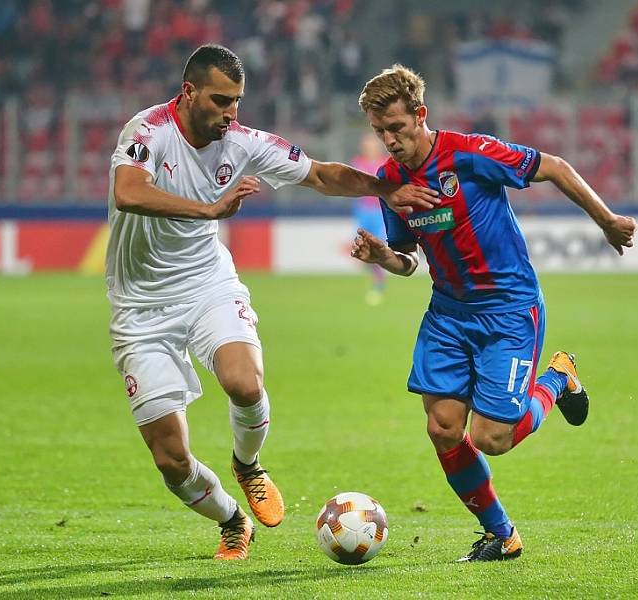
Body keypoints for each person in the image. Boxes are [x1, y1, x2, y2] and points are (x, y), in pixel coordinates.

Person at [107, 46, 438, 561]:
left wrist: (383, 191)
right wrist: (209, 209)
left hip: (206, 283)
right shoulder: (146, 133)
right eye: (220, 100)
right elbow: (129, 192)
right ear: (189, 92)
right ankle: (232, 519)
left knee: (245, 382)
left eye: (237, 101)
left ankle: (248, 465)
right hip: (140, 307)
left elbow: (322, 174)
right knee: (172, 461)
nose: (230, 113)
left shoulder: (243, 142)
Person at [351, 65, 637, 562]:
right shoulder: (389, 181)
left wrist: (607, 220)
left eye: (396, 127)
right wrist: (383, 258)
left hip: (507, 309)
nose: (389, 140)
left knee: (492, 438)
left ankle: (557, 378)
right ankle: (502, 535)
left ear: (420, 115)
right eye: (380, 132)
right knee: (442, 428)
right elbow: (408, 260)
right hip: (448, 314)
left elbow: (554, 166)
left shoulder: (467, 153)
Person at [351, 132, 389, 305]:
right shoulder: (357, 163)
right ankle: (375, 278)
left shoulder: (386, 163)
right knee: (364, 247)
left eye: (372, 143)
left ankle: (378, 283)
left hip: (380, 211)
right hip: (363, 210)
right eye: (367, 143)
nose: (369, 146)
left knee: (378, 245)